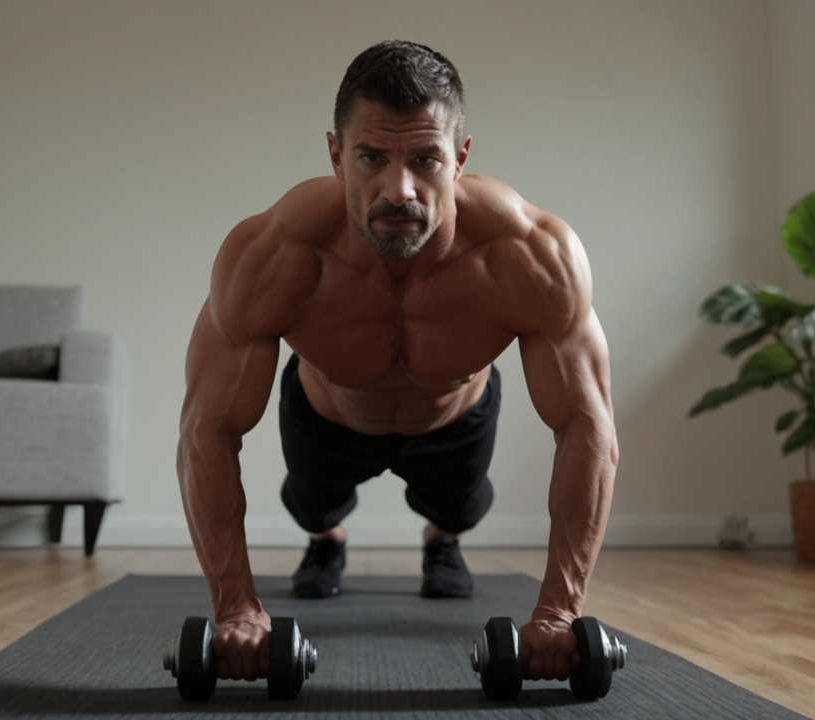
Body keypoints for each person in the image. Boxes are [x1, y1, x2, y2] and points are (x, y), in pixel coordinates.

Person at [176, 40, 618, 685]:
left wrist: (559, 613)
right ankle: (328, 541)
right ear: (336, 155)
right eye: (372, 158)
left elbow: (588, 427)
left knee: (461, 508)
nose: (398, 188)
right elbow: (206, 430)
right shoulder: (274, 254)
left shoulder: (527, 254)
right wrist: (236, 610)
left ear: (461, 157)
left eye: (426, 159)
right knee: (312, 508)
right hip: (327, 416)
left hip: (454, 419)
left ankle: (442, 540)